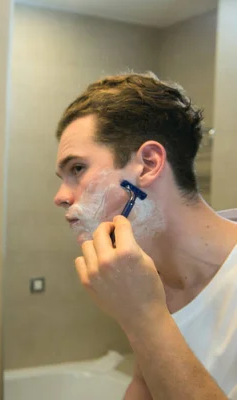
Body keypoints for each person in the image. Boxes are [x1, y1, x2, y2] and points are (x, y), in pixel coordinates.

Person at [54, 72, 236, 399]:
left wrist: (143, 317)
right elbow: (143, 389)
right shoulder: (153, 278)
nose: (61, 196)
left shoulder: (146, 297)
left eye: (77, 169)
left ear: (148, 164)